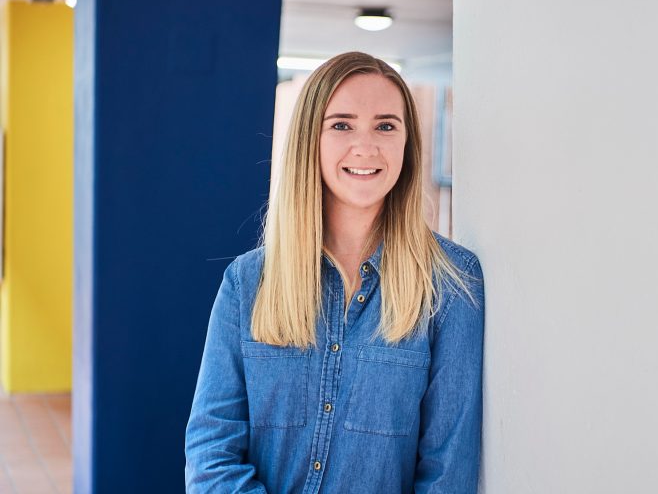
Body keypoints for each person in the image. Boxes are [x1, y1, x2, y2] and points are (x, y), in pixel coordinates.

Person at [185, 51, 485, 493]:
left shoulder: (452, 283)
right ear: (311, 139)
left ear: (407, 143)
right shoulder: (247, 283)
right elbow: (212, 453)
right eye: (341, 124)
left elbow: (447, 472)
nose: (365, 147)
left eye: (386, 125)